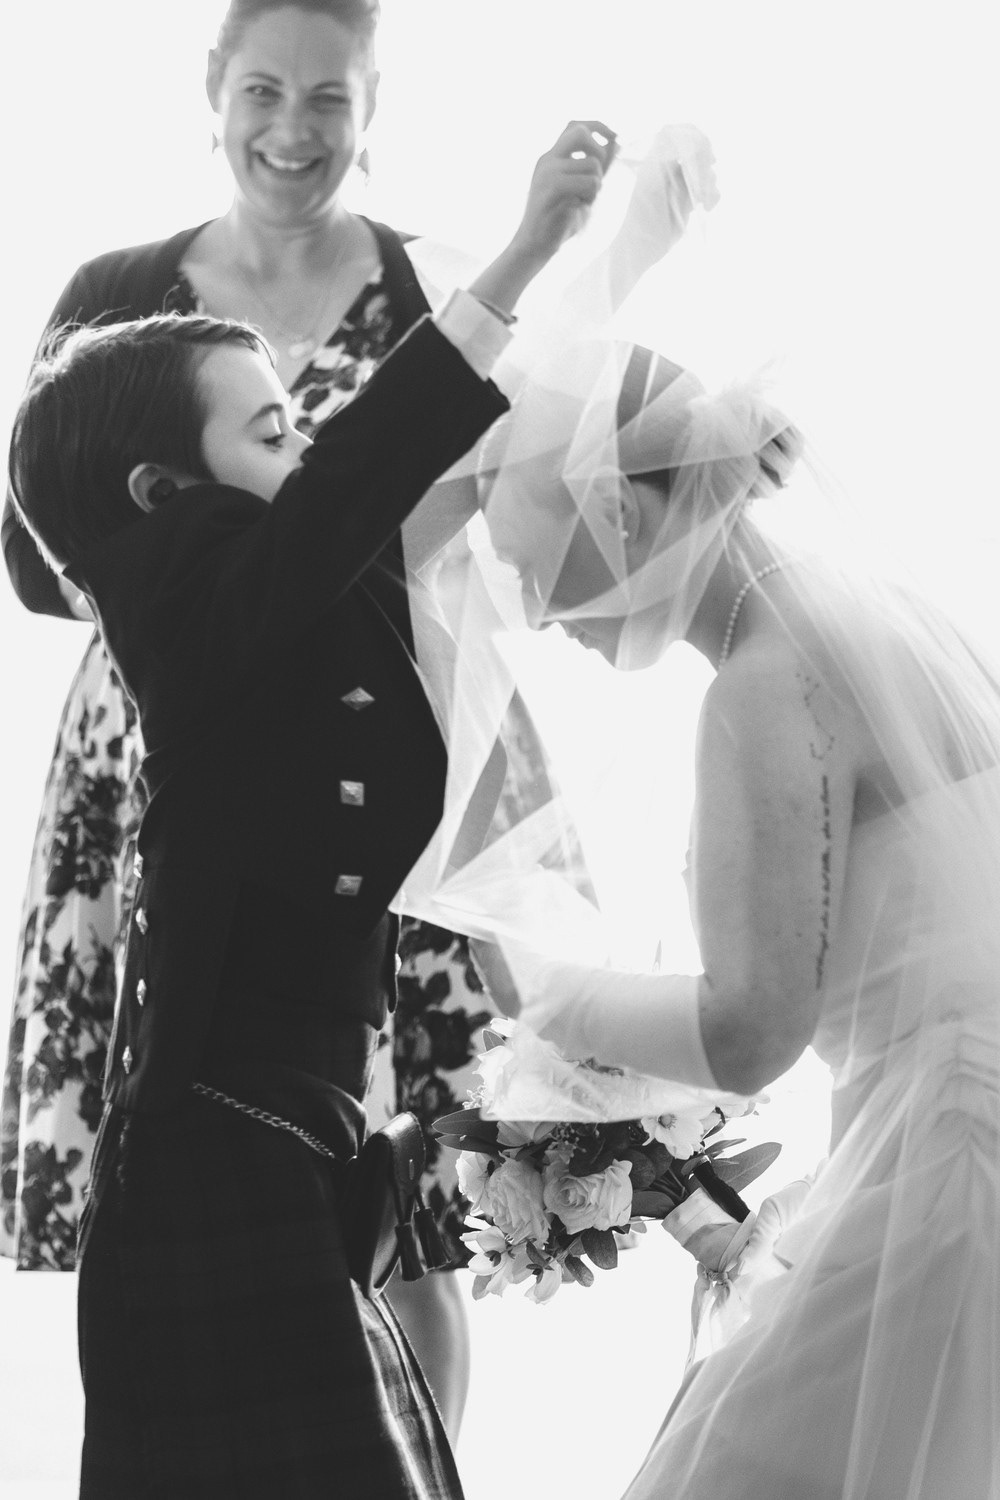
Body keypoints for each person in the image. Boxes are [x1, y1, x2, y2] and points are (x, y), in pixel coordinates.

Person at [6, 111, 614, 1495]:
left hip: (299, 1150)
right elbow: (352, 492)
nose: (309, 459)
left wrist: (607, 266)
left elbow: (422, 489)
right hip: (211, 1178)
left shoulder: (299, 615)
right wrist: (520, 253)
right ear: (163, 497)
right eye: (275, 432)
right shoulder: (183, 612)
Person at [398, 129, 1000, 1499]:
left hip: (957, 1158)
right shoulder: (868, 613)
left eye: (537, 550)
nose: (536, 608)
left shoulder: (763, 684)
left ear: (623, 512)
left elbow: (752, 1027)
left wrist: (549, 1002)